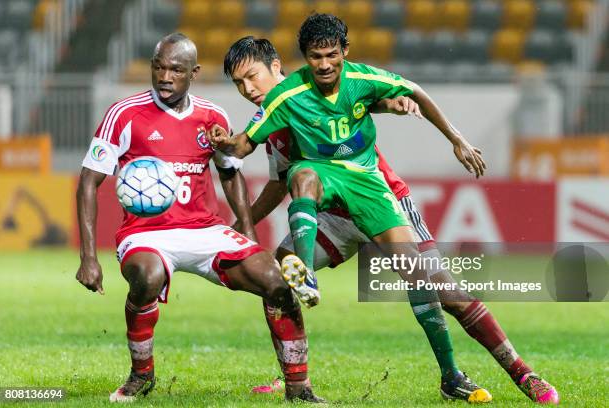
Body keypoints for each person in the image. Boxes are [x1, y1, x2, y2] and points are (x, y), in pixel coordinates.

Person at [221, 35, 559, 405]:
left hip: (383, 199)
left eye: (252, 76)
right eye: (238, 83)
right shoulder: (274, 119)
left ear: (275, 66)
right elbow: (278, 182)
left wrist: (389, 104)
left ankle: (516, 372)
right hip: (333, 216)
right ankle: (294, 379)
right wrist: (244, 225)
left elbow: (363, 98)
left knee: (444, 292)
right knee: (277, 277)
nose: (247, 89)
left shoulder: (316, 88)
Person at [75, 33, 323, 403]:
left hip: (206, 229)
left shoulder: (212, 115)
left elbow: (230, 173)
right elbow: (88, 183)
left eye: (176, 69)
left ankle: (299, 387)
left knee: (275, 280)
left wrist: (248, 232)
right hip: (146, 234)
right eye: (158, 67)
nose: (164, 76)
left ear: (194, 72)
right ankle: (141, 375)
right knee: (146, 277)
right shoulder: (124, 113)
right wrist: (89, 257)